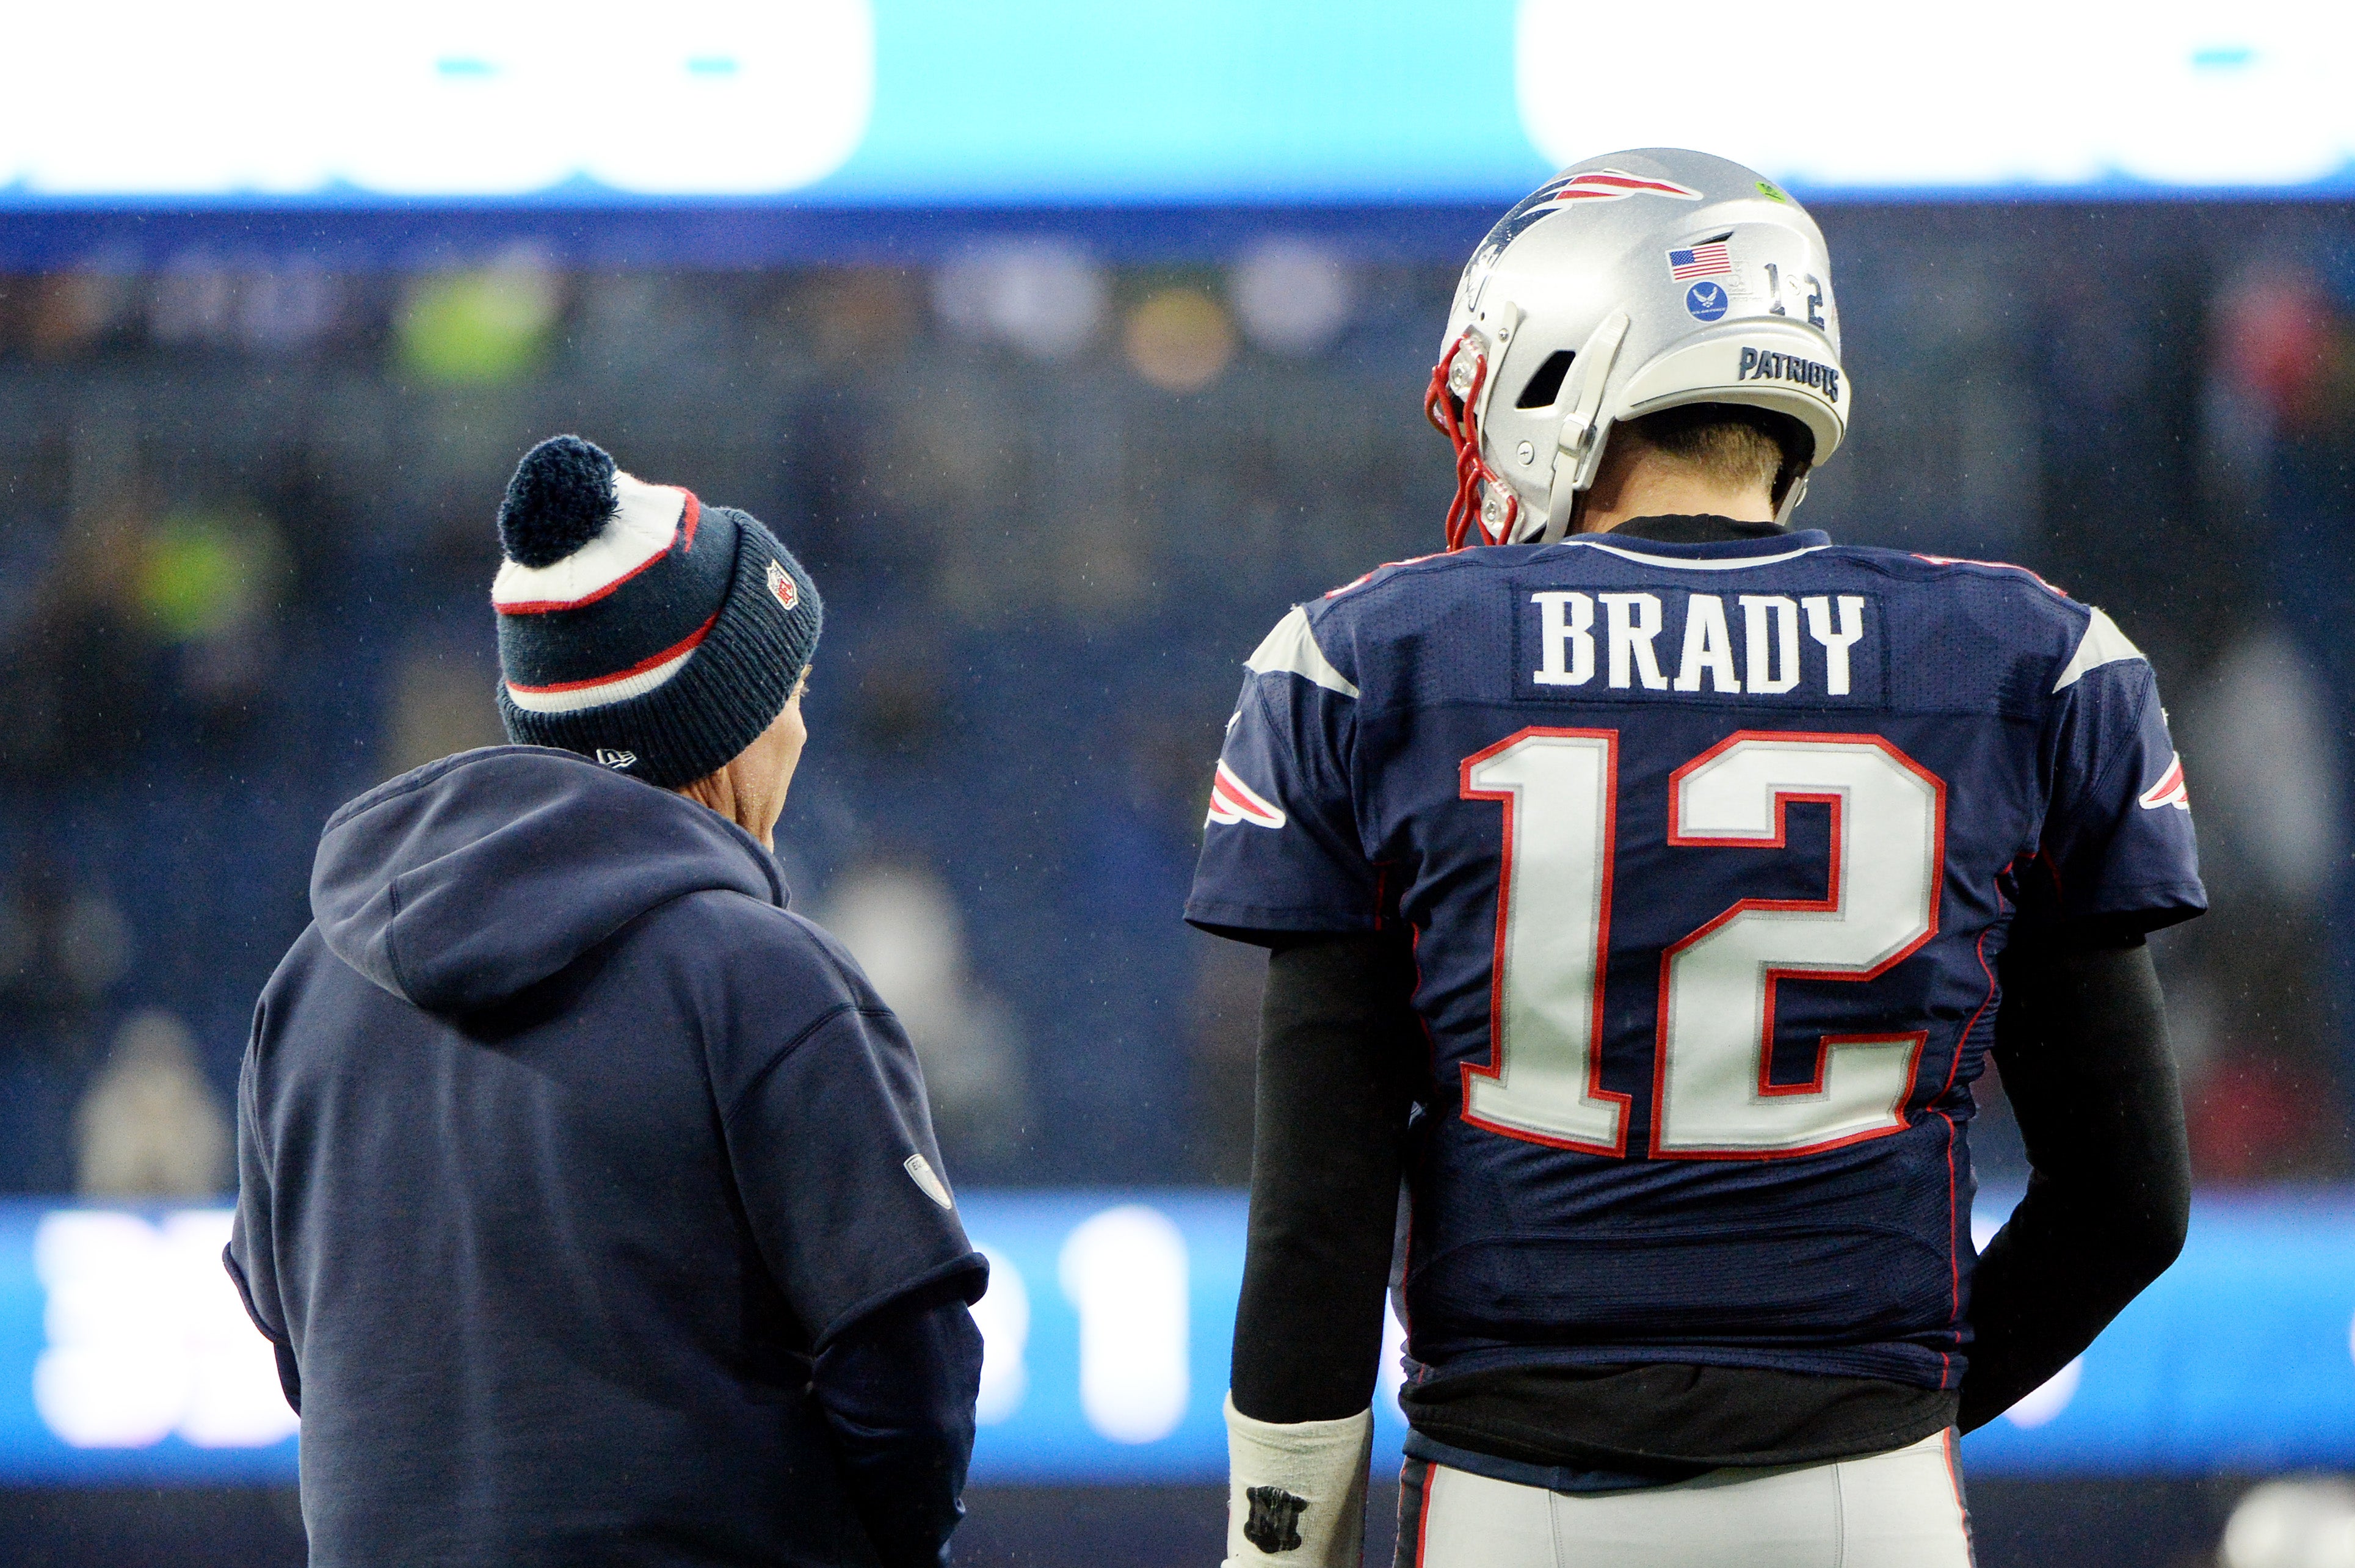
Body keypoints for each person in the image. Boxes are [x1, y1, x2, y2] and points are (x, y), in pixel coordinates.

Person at [1186, 149, 2202, 1568]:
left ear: (1562, 359)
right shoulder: (2029, 662)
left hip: (1513, 1498)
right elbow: (2129, 1206)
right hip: (1868, 1502)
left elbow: (1318, 1225)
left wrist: (1279, 1549)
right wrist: (1893, 1414)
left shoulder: (1372, 663)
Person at [226, 435, 987, 1567]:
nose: (804, 730)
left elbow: (302, 1346)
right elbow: (908, 1387)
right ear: (718, 721)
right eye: (791, 690)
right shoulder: (764, 978)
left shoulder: (306, 990)